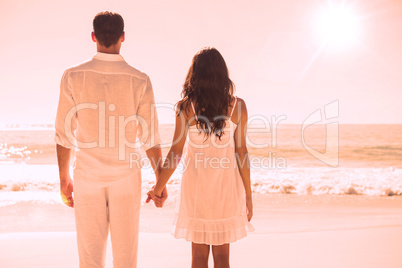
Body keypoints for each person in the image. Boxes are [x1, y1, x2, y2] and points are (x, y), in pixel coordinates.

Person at [55, 11, 167, 268]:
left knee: (90, 260)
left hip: (87, 177)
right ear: (123, 37)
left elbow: (64, 134)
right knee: (126, 259)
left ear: (93, 36)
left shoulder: (72, 76)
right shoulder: (139, 79)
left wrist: (64, 179)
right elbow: (150, 136)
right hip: (126, 178)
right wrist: (160, 179)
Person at [147, 47, 254, 268]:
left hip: (196, 190)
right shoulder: (238, 106)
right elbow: (241, 152)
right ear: (222, 74)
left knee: (197, 257)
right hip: (227, 190)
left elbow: (175, 153)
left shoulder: (185, 107)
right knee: (223, 258)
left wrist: (158, 188)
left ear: (194, 74)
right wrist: (248, 194)